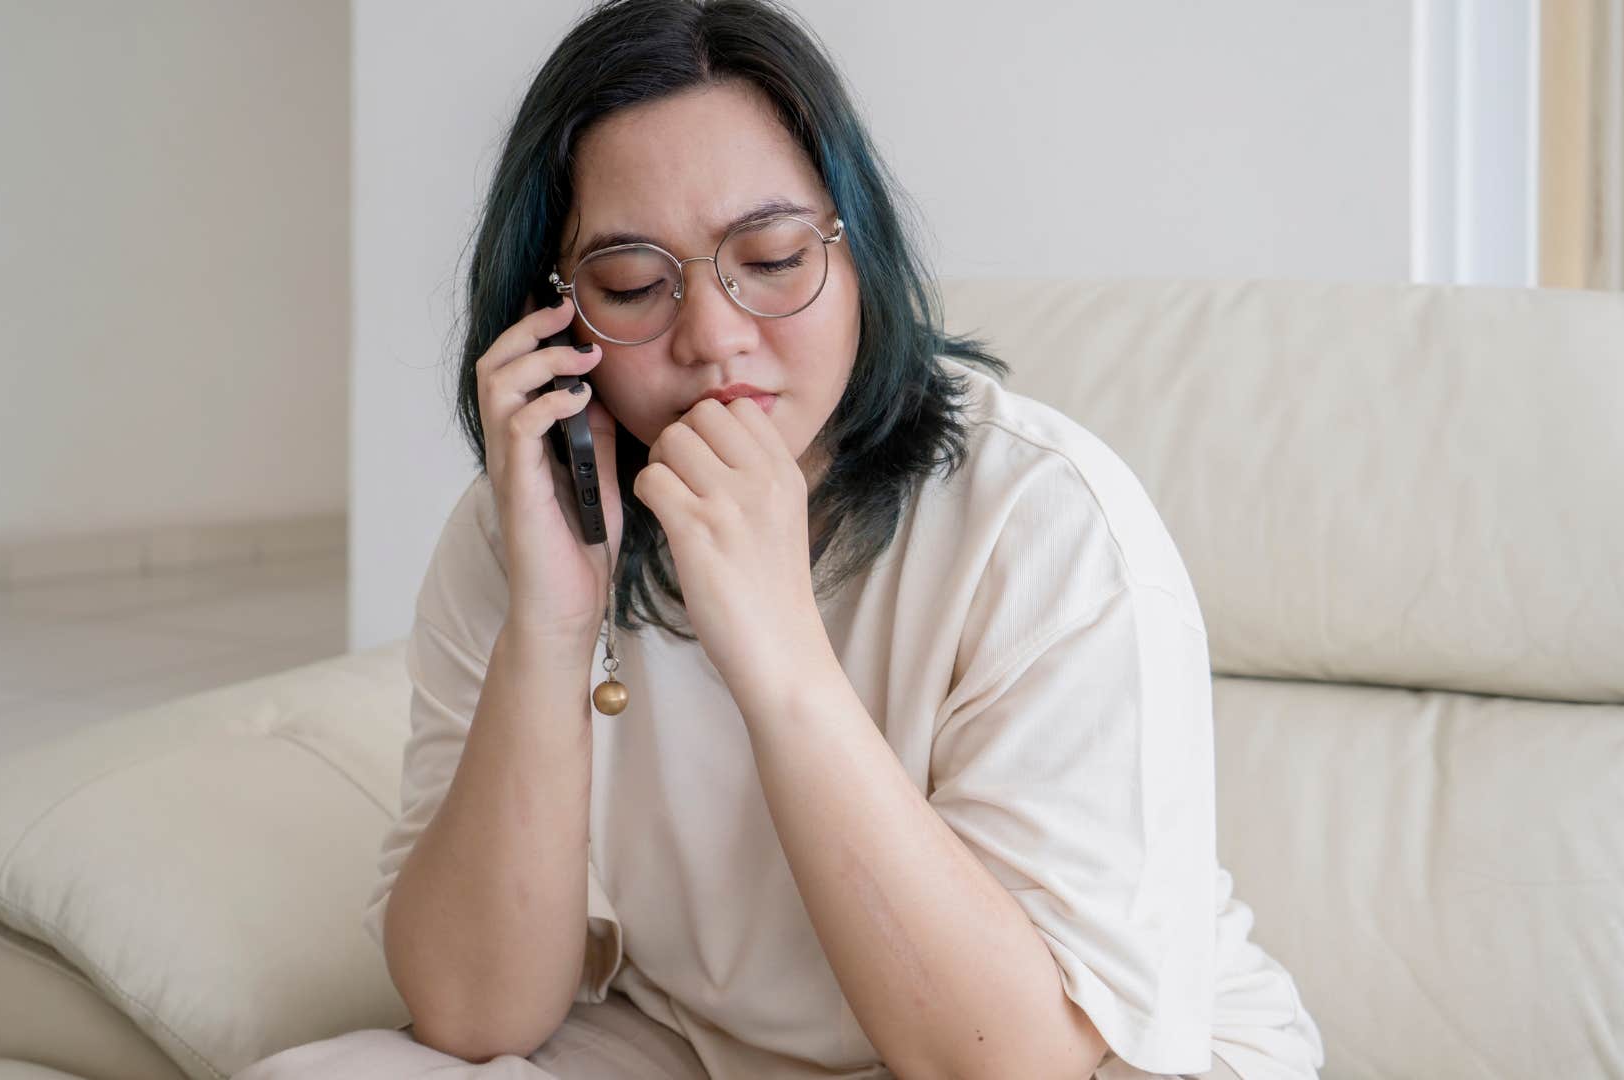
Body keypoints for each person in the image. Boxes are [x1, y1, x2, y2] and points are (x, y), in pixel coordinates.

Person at [236, 1, 1325, 1077]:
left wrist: (780, 650)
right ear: (554, 314)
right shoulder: (523, 528)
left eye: (768, 258)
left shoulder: (1043, 522)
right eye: (631, 284)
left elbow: (1011, 1060)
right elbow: (477, 1015)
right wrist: (554, 624)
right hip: (699, 1045)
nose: (712, 336)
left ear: (858, 256)